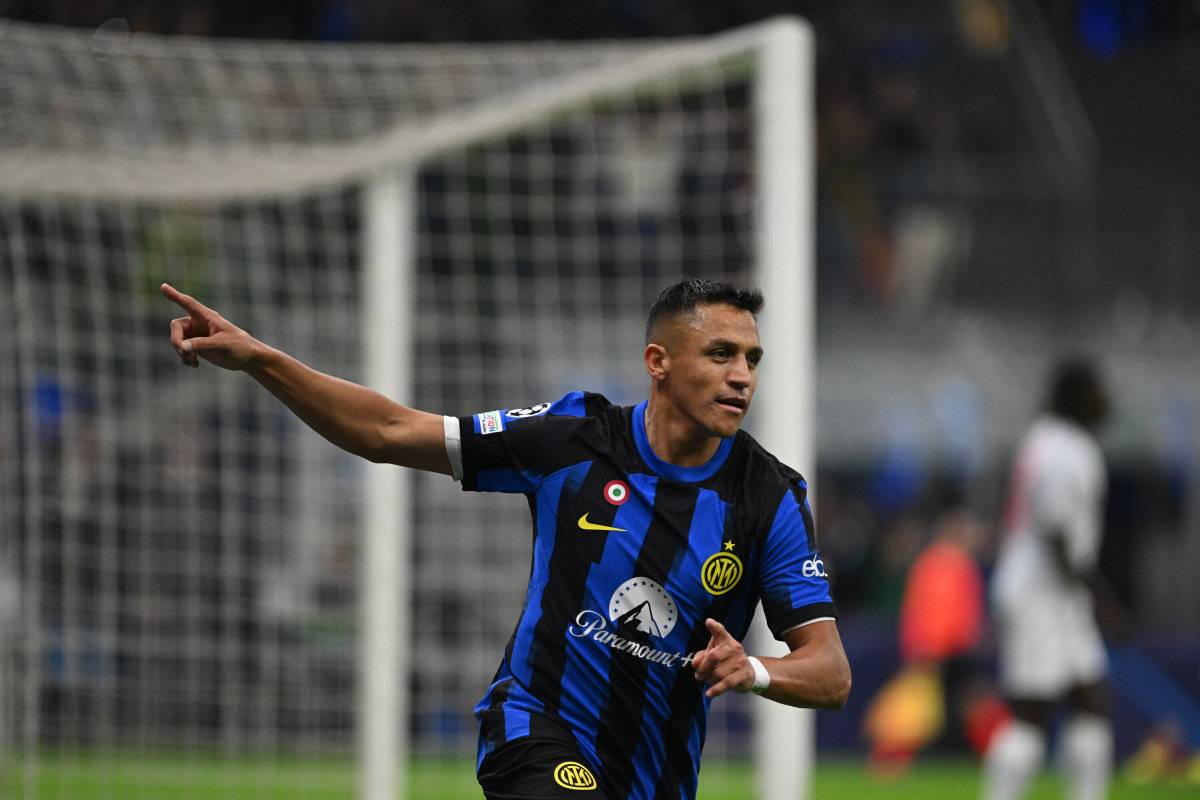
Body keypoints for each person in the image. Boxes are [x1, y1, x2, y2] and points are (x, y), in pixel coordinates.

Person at [162, 278, 852, 800]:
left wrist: (754, 669)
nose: (742, 376)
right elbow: (389, 431)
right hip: (534, 728)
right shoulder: (573, 439)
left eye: (752, 359)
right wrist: (260, 359)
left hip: (656, 777)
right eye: (721, 354)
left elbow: (830, 672)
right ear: (658, 361)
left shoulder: (769, 497)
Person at [980, 357, 1126, 800]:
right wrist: (1103, 600)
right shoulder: (1066, 452)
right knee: (1031, 712)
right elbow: (1056, 535)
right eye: (1098, 390)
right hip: (1039, 593)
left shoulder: (1043, 438)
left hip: (1054, 592)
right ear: (1077, 396)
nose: (1106, 399)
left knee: (1091, 698)